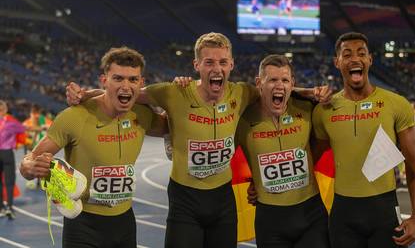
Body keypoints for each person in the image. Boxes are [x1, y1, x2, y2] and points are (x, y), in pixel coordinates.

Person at [66, 32, 331, 248]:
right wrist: (85, 95)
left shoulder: (242, 92)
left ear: (231, 65)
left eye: (222, 62)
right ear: (197, 66)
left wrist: (308, 90)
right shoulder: (174, 92)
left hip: (222, 201)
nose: (216, 68)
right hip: (185, 201)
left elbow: (276, 86)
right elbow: (127, 91)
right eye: (209, 62)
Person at [20, 46, 167, 247]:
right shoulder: (74, 117)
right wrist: (30, 167)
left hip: (124, 221)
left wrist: (181, 91)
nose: (126, 85)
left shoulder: (142, 114)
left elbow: (177, 126)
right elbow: (29, 161)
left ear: (141, 84)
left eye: (133, 79)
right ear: (104, 80)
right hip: (83, 225)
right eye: (118, 78)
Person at [312, 32, 415, 248]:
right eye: (347, 54)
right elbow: (309, 162)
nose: (355, 59)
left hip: (383, 211)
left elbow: (414, 166)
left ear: (370, 60)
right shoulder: (323, 111)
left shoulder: (396, 104)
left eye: (361, 53)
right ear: (337, 62)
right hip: (343, 215)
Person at [236, 54, 329, 248]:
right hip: (270, 220)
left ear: (292, 83)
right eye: (272, 80)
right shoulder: (242, 118)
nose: (280, 85)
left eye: (285, 80)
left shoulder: (307, 109)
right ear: (259, 82)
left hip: (311, 215)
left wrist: (312, 92)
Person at [0, 100, 26, 220]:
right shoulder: (11, 123)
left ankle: (0, 208)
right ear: (5, 110)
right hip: (7, 153)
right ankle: (9, 207)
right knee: (9, 182)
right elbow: (23, 129)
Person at [23, 104, 53, 189]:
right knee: (44, 164)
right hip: (40, 147)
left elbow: (25, 130)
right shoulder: (45, 121)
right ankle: (43, 183)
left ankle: (33, 182)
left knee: (32, 165)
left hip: (36, 147)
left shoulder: (30, 121)